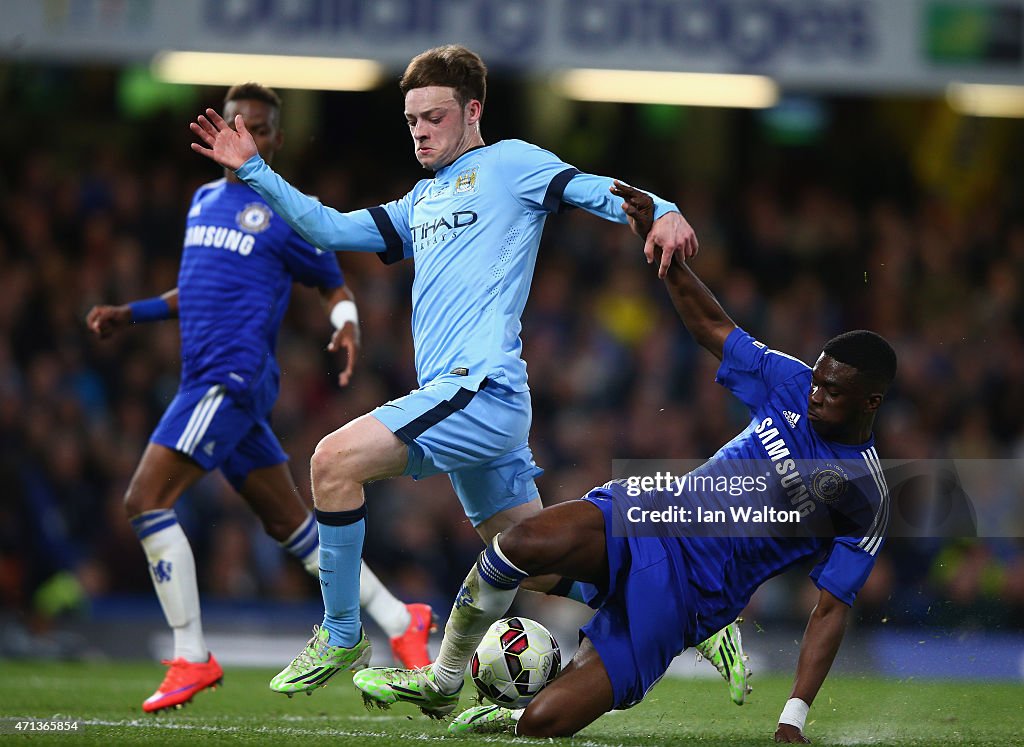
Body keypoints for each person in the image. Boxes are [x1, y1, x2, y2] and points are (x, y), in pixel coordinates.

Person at [187, 44, 744, 701]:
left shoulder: (509, 164)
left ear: (472, 110)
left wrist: (664, 206)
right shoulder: (419, 202)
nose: (420, 129)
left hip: (478, 387)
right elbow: (328, 228)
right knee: (531, 559)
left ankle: (341, 632)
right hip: (466, 400)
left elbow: (592, 189)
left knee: (333, 462)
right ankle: (695, 607)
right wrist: (253, 170)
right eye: (411, 119)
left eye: (434, 115)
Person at [354, 184, 897, 742]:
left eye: (832, 391)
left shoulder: (863, 495)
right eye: (817, 380)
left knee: (544, 724)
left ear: (870, 402)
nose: (816, 394)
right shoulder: (791, 380)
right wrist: (658, 246)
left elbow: (831, 610)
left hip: (692, 595)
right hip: (654, 513)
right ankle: (443, 679)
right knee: (517, 547)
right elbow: (711, 326)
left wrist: (793, 718)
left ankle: (532, 704)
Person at [87, 83, 433, 714]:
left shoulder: (283, 214)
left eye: (256, 127)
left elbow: (333, 282)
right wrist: (130, 314)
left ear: (271, 141)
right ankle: (397, 617)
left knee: (145, 500)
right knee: (293, 526)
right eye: (232, 121)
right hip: (206, 381)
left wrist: (346, 325)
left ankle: (191, 656)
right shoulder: (201, 202)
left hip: (230, 380)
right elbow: (194, 288)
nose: (240, 133)